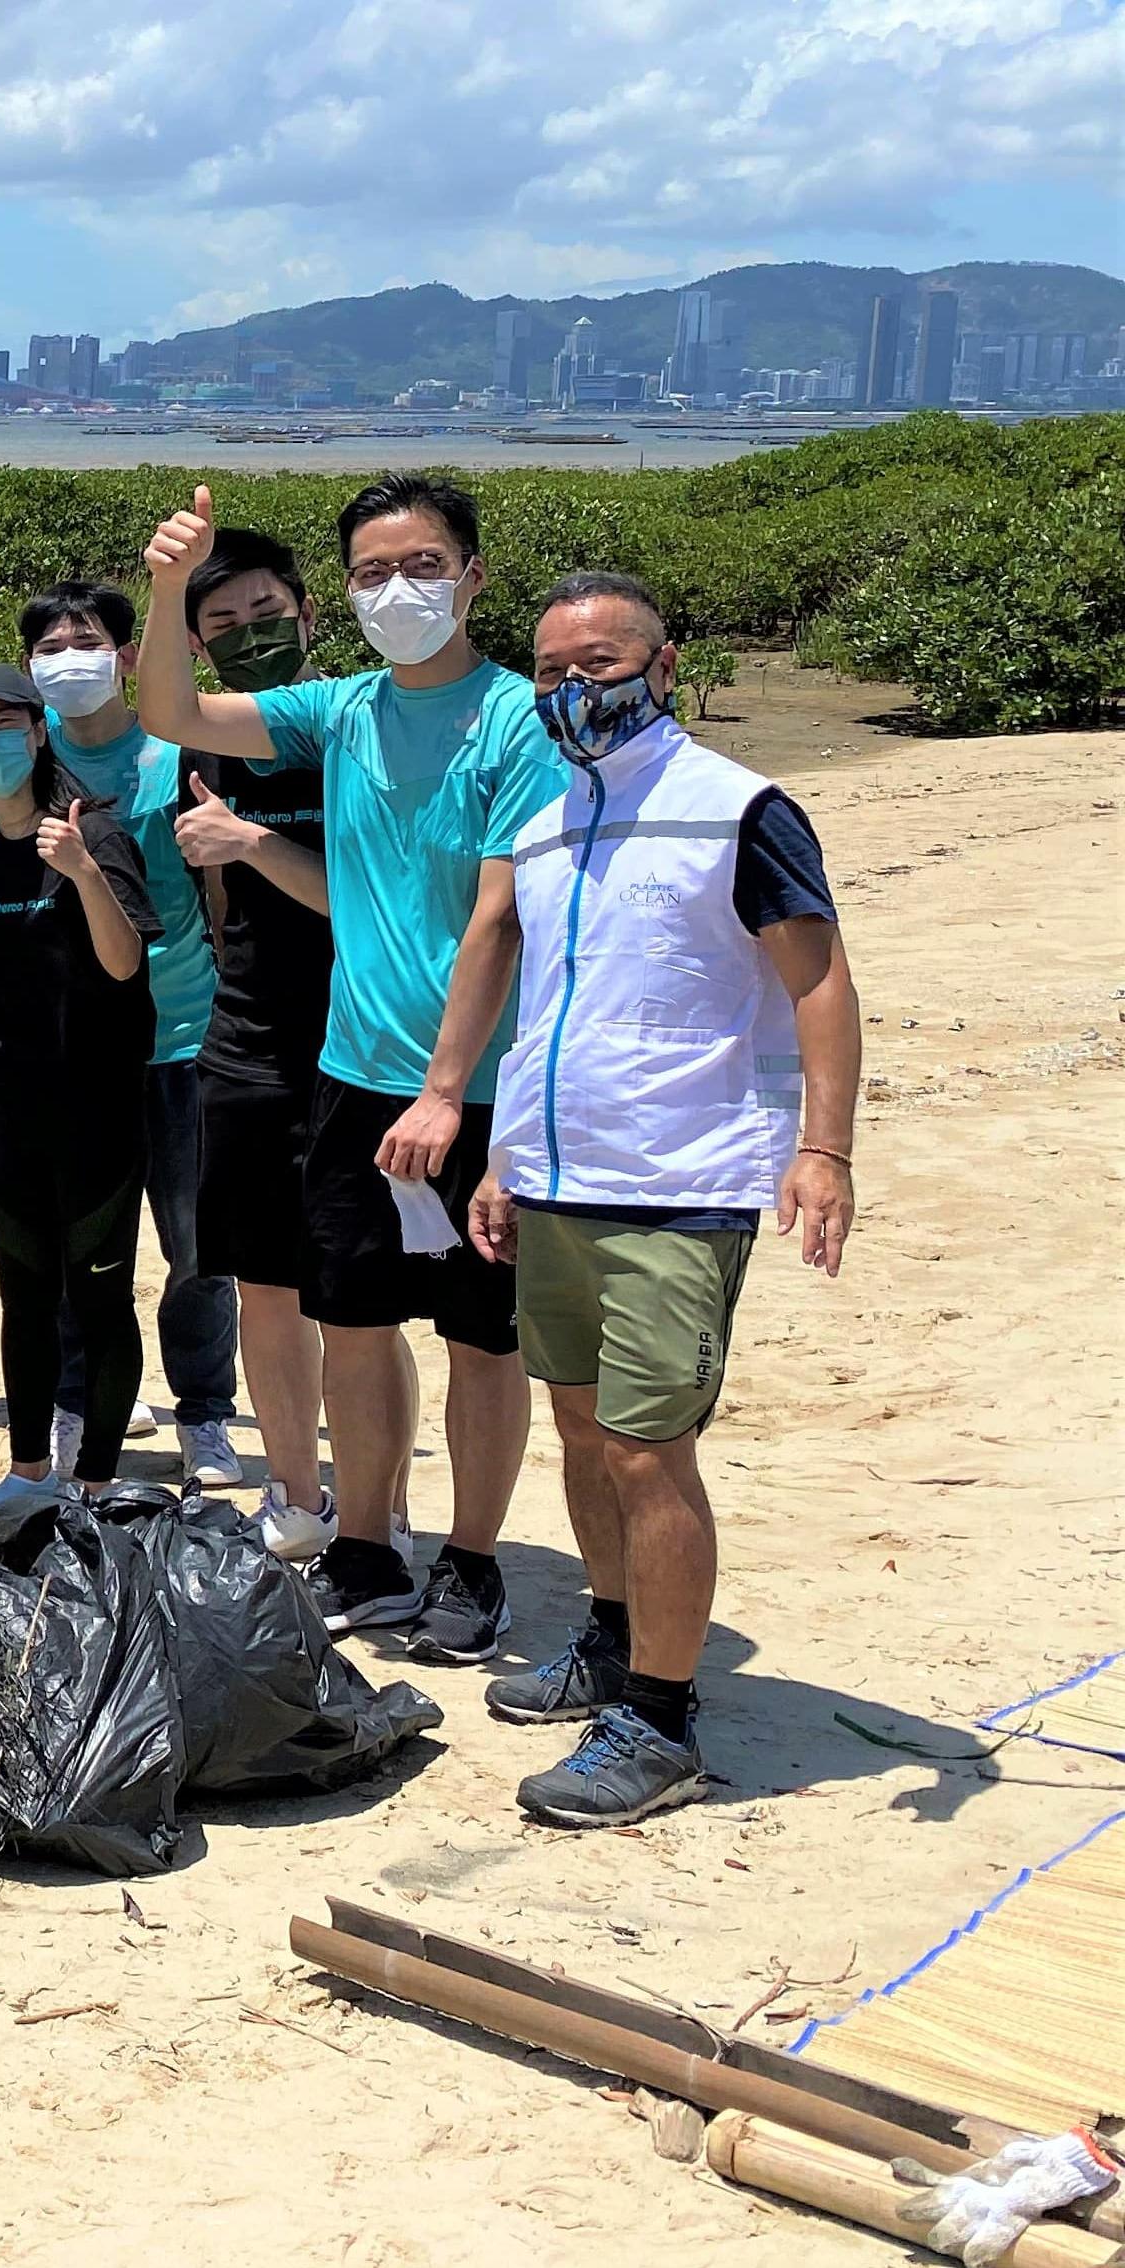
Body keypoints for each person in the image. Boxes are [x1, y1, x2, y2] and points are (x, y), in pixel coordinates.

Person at [138, 475, 569, 1662]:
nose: (400, 591)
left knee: (485, 1338)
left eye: (423, 566)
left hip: (477, 1088)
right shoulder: (340, 711)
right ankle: (369, 1546)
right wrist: (171, 585)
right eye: (375, 573)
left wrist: (444, 1089)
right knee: (358, 1324)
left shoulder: (518, 720)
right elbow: (173, 712)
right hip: (350, 1077)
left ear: (474, 578)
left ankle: (473, 1562)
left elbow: (498, 920)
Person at [460, 571, 860, 1826]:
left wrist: (825, 1148)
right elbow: (548, 1012)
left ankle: (664, 1720)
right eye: (555, 672)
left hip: (680, 1183)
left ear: (665, 667)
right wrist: (504, 1157)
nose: (576, 690)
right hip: (556, 1177)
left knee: (647, 1450)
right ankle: (615, 1638)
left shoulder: (737, 808)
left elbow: (822, 984)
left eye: (602, 664)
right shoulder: (543, 823)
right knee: (580, 1431)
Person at [0, 667, 162, 1511]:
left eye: (0, 723)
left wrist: (84, 872)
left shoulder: (91, 831)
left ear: (35, 733)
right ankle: (29, 1474)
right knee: (24, 1297)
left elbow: (125, 965)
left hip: (97, 1110)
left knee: (98, 1297)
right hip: (14, 1108)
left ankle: (95, 1481)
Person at [22, 580, 239, 1490]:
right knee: (82, 1242)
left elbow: (220, 899)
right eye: (52, 646)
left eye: (89, 641)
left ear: (125, 655)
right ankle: (77, 1398)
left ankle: (204, 1411)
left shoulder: (178, 752)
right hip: (78, 1047)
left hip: (185, 1035)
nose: (71, 659)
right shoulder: (24, 761)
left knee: (198, 1245)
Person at [165, 530, 357, 1556]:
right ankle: (297, 1498)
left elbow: (371, 907)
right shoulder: (207, 746)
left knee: (359, 1303)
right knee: (265, 1287)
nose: (251, 637)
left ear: (309, 615)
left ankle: (372, 1508)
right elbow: (216, 903)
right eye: (224, 626)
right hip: (246, 1036)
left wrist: (253, 843)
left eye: (267, 616)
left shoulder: (355, 731)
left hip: (361, 1037)